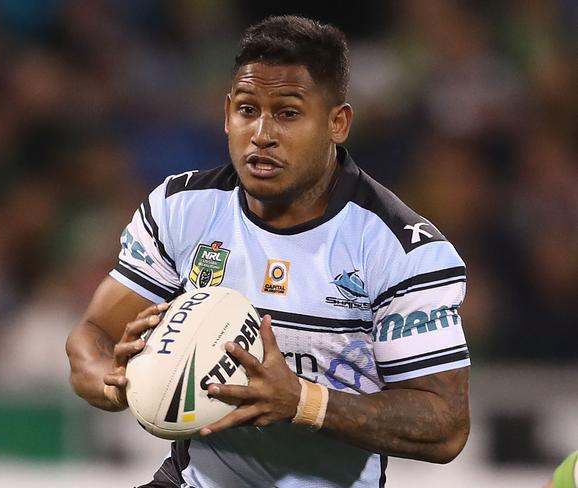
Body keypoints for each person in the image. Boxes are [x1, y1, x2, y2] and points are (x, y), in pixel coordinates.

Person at [66, 15, 471, 487]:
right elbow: (93, 334)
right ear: (226, 114)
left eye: (288, 113)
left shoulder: (400, 250)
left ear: (337, 123)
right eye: (247, 109)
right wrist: (114, 381)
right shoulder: (181, 210)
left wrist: (302, 402)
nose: (262, 133)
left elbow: (445, 426)